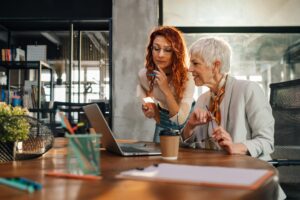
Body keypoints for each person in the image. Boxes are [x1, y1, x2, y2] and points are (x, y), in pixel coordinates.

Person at [181, 36, 286, 200]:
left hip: (250, 182)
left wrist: (238, 147)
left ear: (216, 66)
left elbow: (267, 141)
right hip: (215, 178)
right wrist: (190, 126)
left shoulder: (249, 90)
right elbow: (187, 144)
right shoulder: (202, 99)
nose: (189, 69)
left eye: (195, 63)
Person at [137, 26, 195, 143]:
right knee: (158, 158)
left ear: (176, 53)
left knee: (187, 159)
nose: (160, 55)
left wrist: (165, 88)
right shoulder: (144, 75)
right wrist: (149, 107)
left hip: (187, 123)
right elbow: (143, 90)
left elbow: (179, 120)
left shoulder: (188, 77)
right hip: (163, 121)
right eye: (156, 48)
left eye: (167, 50)